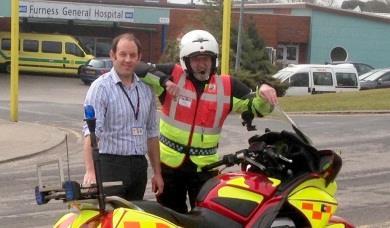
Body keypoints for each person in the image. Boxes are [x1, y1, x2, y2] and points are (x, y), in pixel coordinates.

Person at [136, 29, 278, 213]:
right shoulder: (174, 75)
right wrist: (164, 81)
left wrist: (264, 92)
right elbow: (138, 68)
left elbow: (256, 107)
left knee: (206, 216)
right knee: (169, 216)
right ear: (186, 61)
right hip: (169, 165)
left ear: (214, 60)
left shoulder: (227, 86)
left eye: (206, 59)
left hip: (205, 167)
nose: (201, 64)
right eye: (196, 59)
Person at [82, 33, 164, 201]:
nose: (128, 60)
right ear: (113, 55)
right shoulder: (101, 87)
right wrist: (90, 171)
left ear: (139, 57)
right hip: (111, 165)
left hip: (138, 167)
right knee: (111, 220)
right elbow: (91, 132)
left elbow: (152, 133)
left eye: (133, 55)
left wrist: (157, 173)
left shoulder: (147, 89)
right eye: (123, 54)